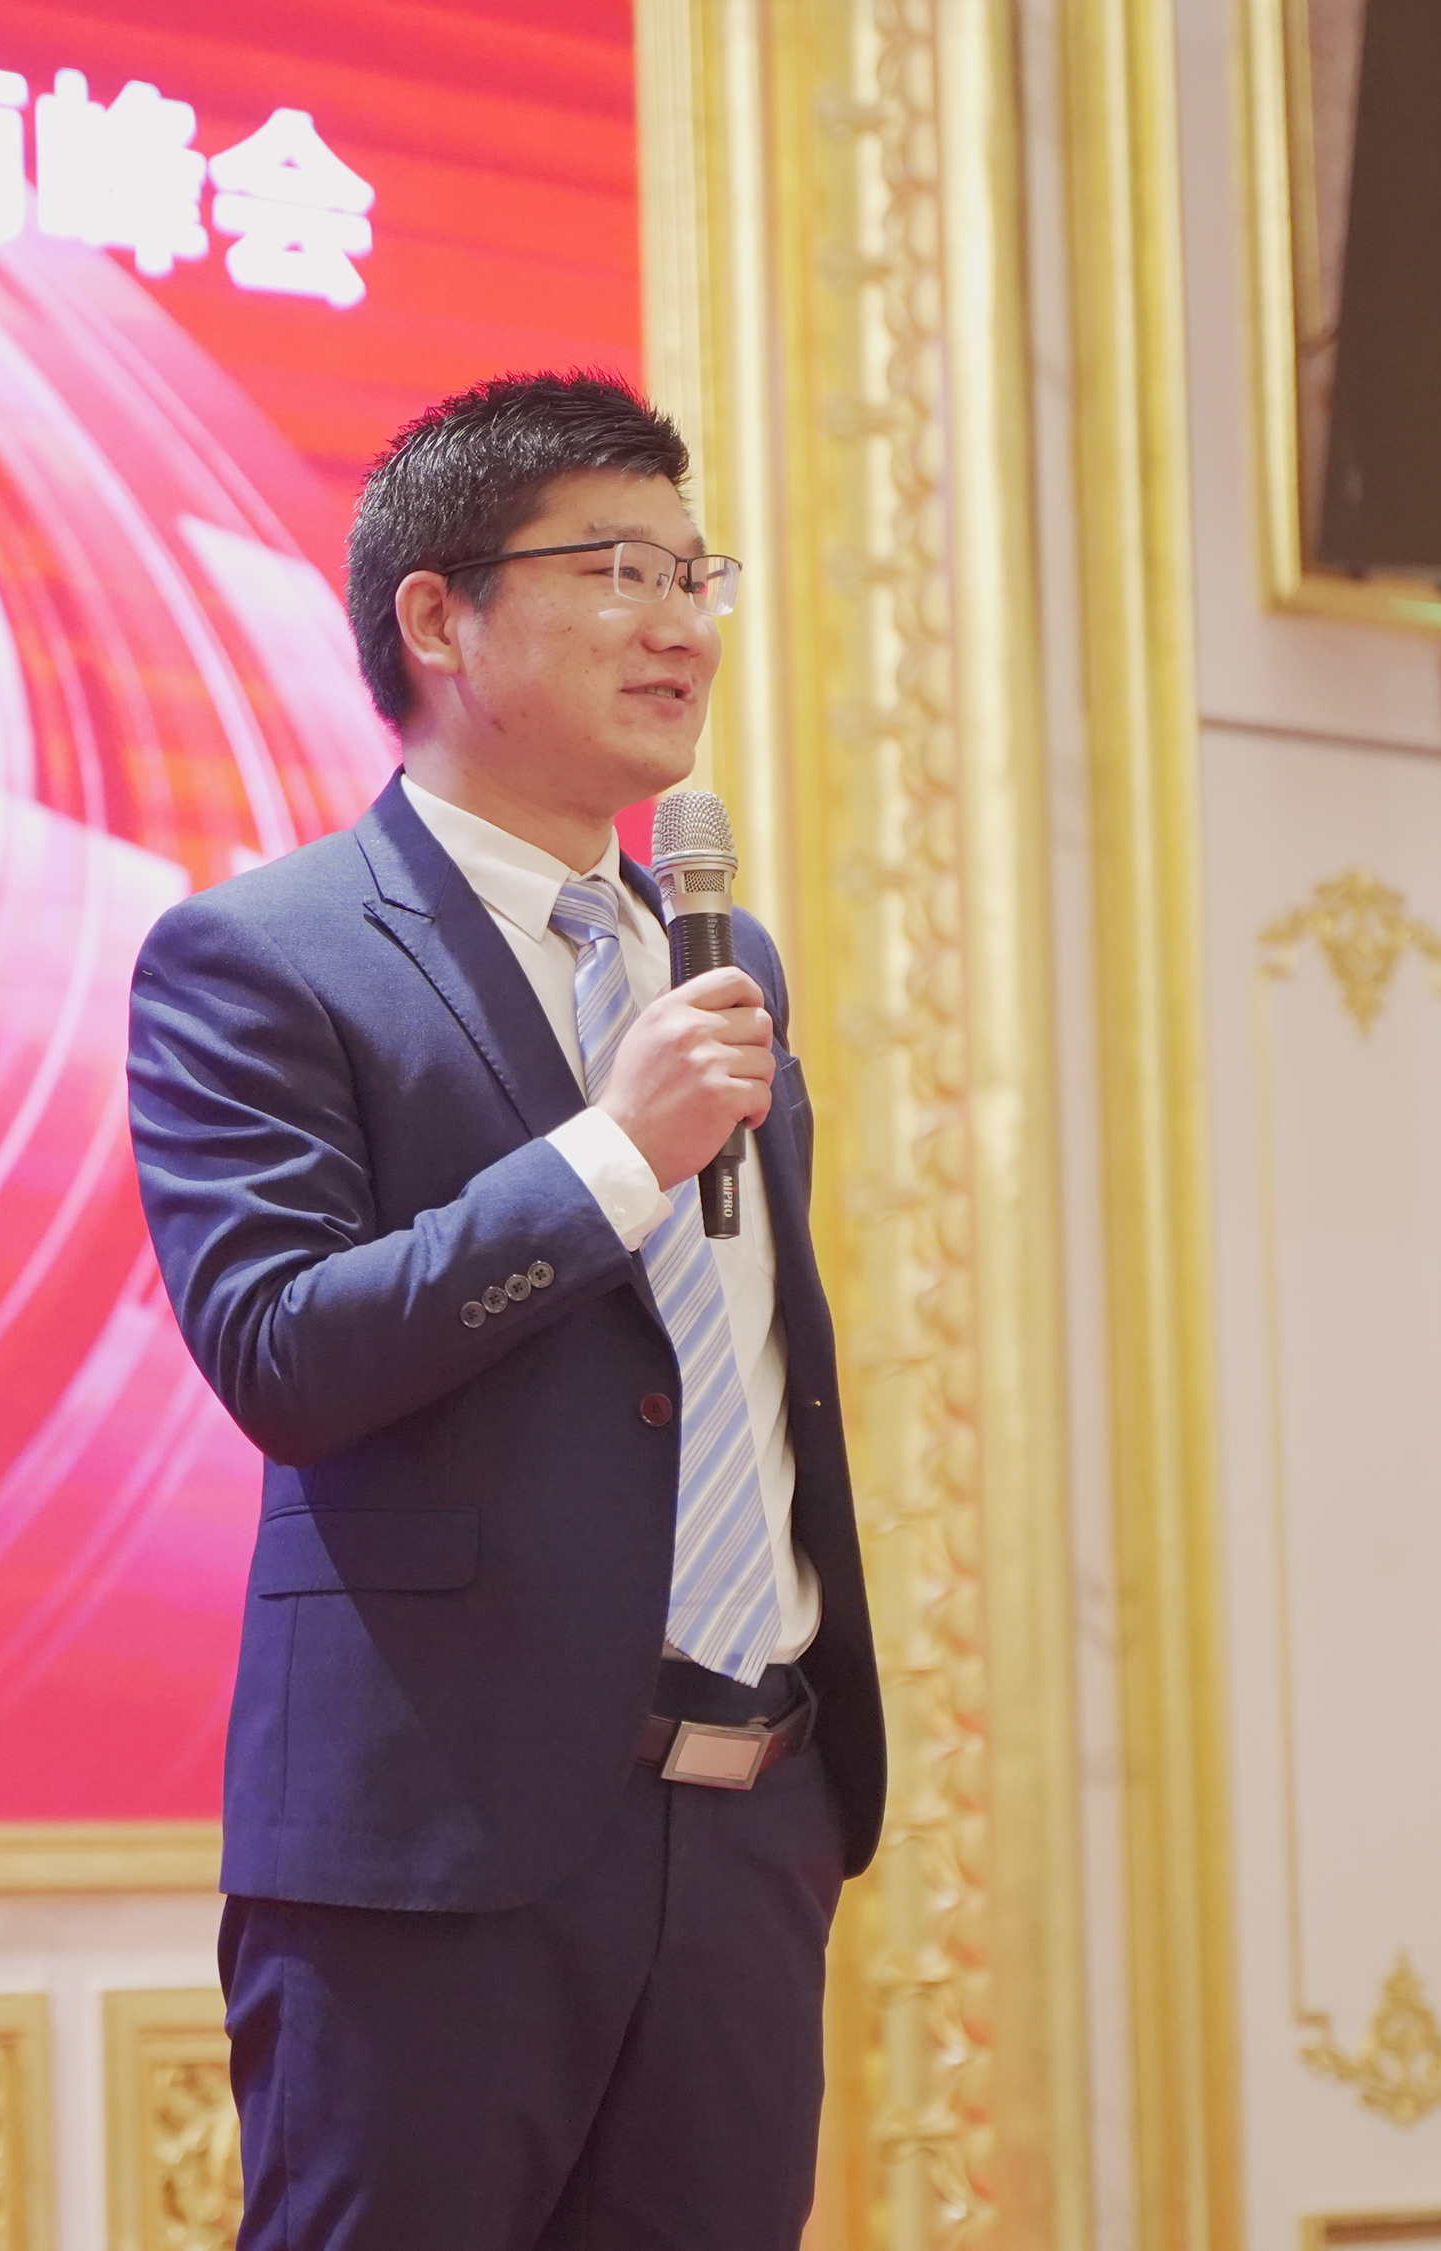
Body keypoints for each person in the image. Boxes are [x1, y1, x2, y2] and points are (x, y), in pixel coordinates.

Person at [125, 370, 886, 2250]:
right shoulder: (261, 957)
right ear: (439, 617)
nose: (681, 623)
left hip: (749, 1815)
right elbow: (284, 1353)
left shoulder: (715, 953)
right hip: (436, 1851)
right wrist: (611, 1156)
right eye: (619, 570)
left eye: (696, 573)